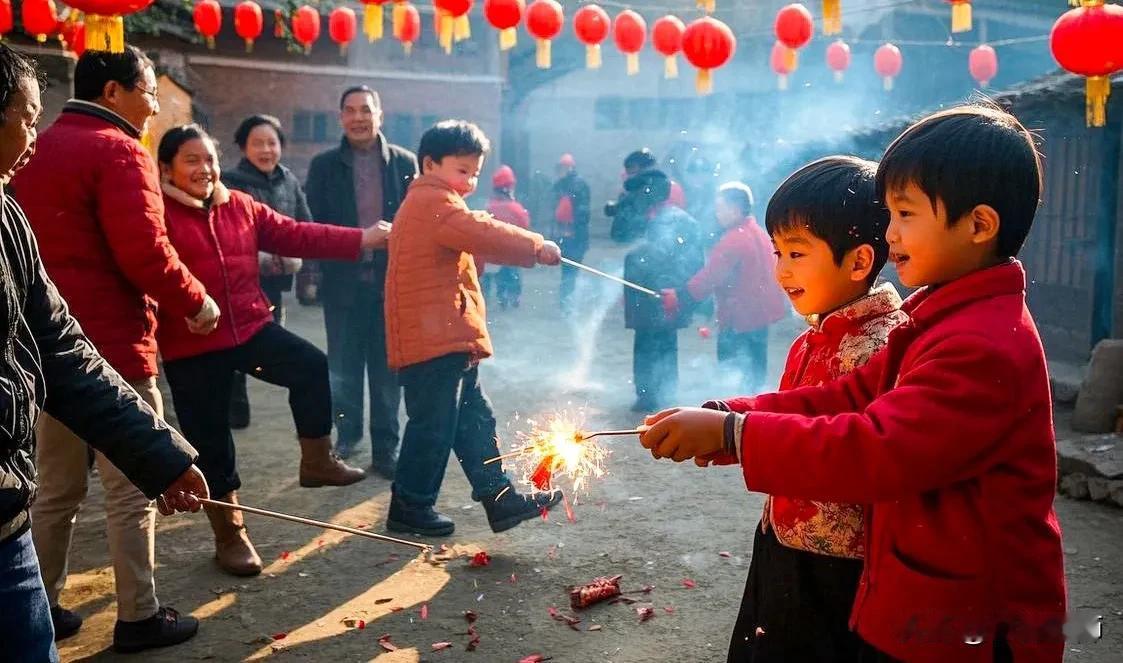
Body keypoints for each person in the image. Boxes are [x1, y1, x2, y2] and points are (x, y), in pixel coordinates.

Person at [640, 105, 1067, 663]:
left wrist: (734, 434)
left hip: (968, 623)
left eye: (906, 214)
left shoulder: (983, 343)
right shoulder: (939, 317)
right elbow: (848, 396)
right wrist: (731, 417)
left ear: (978, 225)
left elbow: (877, 447)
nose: (890, 234)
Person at [0, 43, 209, 662]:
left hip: (41, 397)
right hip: (118, 343)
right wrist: (197, 303)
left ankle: (53, 599)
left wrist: (160, 452)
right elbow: (146, 253)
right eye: (25, 118)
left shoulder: (10, 203)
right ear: (114, 93)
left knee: (54, 489)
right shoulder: (118, 150)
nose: (33, 138)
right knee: (125, 496)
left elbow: (57, 341)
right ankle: (139, 614)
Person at [156, 125, 387, 576]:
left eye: (209, 159)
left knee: (310, 366)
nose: (204, 169)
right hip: (192, 342)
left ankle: (317, 460)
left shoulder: (239, 205)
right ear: (166, 168)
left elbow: (297, 234)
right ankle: (230, 535)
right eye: (191, 160)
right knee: (211, 441)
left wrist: (361, 238)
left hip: (250, 327)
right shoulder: (157, 213)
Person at [710, 158, 907, 662]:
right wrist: (724, 419)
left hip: (837, 564)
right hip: (780, 535)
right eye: (778, 252)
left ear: (860, 262)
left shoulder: (884, 346)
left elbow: (861, 451)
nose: (780, 270)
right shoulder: (812, 337)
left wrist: (734, 432)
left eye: (796, 253)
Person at [384, 120, 564, 537]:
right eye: (462, 170)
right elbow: (482, 231)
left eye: (475, 172)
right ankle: (410, 504)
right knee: (432, 425)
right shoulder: (433, 203)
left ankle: (499, 499)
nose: (469, 180)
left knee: (474, 420)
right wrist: (537, 247)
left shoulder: (437, 202)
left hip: (447, 337)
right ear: (430, 164)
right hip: (433, 339)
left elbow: (471, 234)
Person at [305, 85, 418, 475]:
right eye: (350, 111)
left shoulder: (404, 163)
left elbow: (417, 225)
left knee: (388, 371)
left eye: (365, 110)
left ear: (379, 115)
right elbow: (313, 223)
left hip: (391, 286)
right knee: (343, 366)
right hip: (342, 284)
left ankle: (386, 448)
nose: (358, 118)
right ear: (340, 118)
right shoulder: (323, 166)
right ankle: (347, 437)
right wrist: (312, 274)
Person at [222, 114, 313, 429]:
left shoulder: (288, 179)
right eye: (257, 143)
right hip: (240, 280)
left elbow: (305, 224)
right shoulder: (231, 183)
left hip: (278, 278)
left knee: (270, 337)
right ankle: (235, 409)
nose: (266, 150)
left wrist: (308, 274)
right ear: (243, 147)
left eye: (271, 143)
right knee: (239, 342)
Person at [661, 182, 787, 394]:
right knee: (755, 371)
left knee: (733, 375)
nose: (717, 213)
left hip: (738, 318)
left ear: (735, 208)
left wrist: (679, 296)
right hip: (760, 316)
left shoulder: (734, 240)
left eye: (720, 208)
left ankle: (733, 418)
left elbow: (709, 278)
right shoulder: (759, 233)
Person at [623, 169, 704, 412]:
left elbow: (686, 261)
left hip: (660, 295)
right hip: (652, 295)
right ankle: (655, 393)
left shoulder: (672, 221)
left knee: (657, 345)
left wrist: (675, 290)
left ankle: (654, 395)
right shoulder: (659, 217)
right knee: (654, 344)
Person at [607, 149, 686, 244]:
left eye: (629, 169)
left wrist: (618, 208)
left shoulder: (645, 187)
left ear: (636, 168)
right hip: (666, 236)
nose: (626, 175)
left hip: (647, 239)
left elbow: (637, 212)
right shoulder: (667, 185)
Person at [485, 165, 531, 309]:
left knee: (500, 276)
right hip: (514, 252)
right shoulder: (516, 208)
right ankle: (513, 297)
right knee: (513, 274)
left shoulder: (490, 207)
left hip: (495, 252)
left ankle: (502, 297)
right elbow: (525, 225)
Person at [551, 153, 590, 314]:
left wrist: (572, 227)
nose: (561, 171)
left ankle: (567, 303)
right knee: (569, 271)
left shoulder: (576, 185)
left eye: (564, 168)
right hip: (568, 236)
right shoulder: (563, 185)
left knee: (570, 272)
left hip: (574, 236)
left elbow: (582, 213)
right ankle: (566, 302)